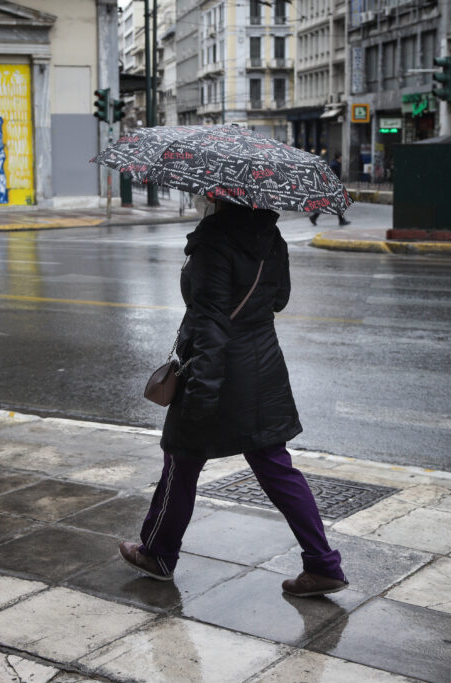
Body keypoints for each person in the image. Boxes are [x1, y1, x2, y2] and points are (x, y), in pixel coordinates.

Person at [119, 194, 348, 598]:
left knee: (181, 459)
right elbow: (279, 300)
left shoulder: (212, 241)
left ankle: (157, 554)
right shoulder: (270, 235)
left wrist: (201, 397)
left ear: (214, 195)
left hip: (218, 371)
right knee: (276, 467)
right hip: (264, 366)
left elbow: (209, 326)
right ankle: (323, 563)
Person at [309, 153, 350, 226]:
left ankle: (314, 217)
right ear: (339, 157)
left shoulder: (335, 164)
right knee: (334, 203)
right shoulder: (334, 165)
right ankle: (341, 220)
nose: (342, 159)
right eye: (341, 157)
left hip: (332, 186)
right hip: (332, 187)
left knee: (331, 203)